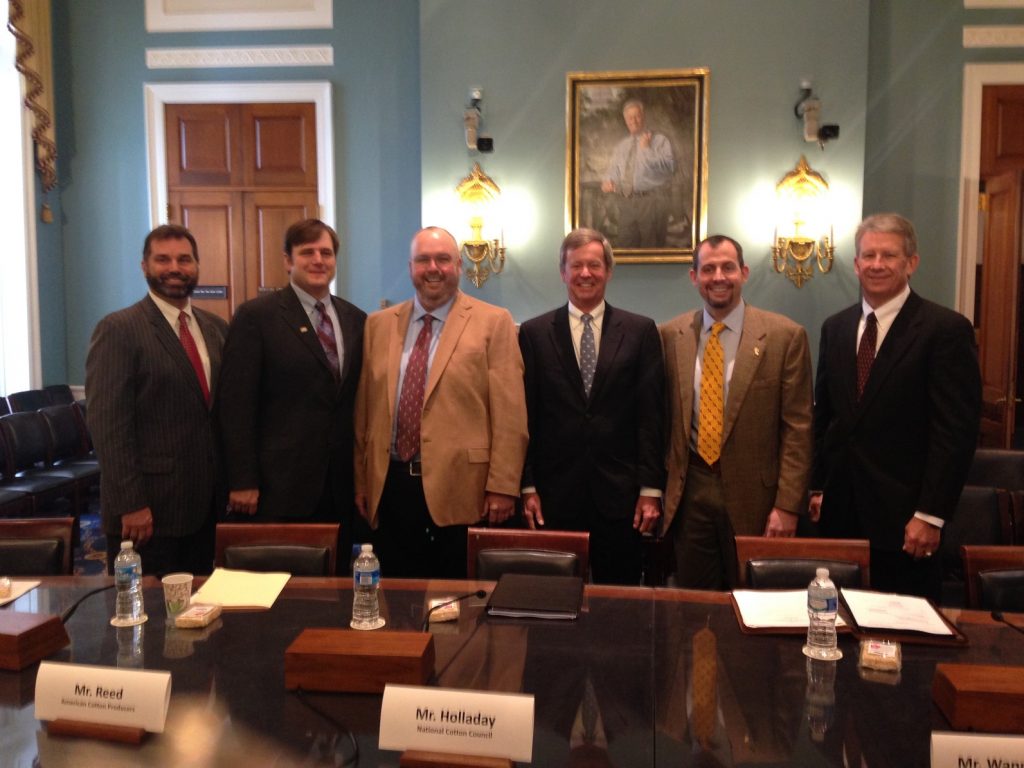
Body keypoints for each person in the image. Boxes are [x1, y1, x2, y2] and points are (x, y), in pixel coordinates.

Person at [810, 213, 981, 601]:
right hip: (840, 516)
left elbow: (954, 433)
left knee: (900, 629)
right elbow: (826, 419)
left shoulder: (944, 329)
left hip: (907, 524)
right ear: (856, 264)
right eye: (868, 255)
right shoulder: (835, 328)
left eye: (888, 255)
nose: (877, 264)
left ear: (911, 262)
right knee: (837, 621)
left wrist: (930, 515)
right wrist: (818, 487)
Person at [354, 226, 528, 579]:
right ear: (410, 267)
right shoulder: (378, 324)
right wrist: (362, 480)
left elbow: (510, 415)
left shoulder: (494, 322)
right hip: (391, 486)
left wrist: (503, 486)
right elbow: (364, 411)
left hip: (463, 488)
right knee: (397, 595)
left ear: (459, 266)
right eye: (423, 260)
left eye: (443, 259)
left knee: (455, 598)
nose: (433, 268)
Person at [660, 234, 813, 589]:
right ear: (694, 277)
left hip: (758, 499)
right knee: (696, 603)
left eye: (728, 267)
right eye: (708, 269)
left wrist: (788, 506)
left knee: (756, 600)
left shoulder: (785, 336)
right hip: (691, 493)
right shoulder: (668, 336)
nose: (719, 277)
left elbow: (799, 429)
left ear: (743, 272)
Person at [518, 228, 665, 584]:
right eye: (576, 265)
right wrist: (527, 485)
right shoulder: (534, 333)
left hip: (621, 496)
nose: (586, 273)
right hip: (554, 495)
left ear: (608, 271)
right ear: (563, 272)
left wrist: (650, 490)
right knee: (554, 595)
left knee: (619, 599)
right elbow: (526, 417)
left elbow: (651, 416)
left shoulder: (641, 331)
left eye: (595, 265)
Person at [217, 219, 366, 564]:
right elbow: (236, 405)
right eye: (307, 252)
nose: (318, 260)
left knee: (335, 579)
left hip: (339, 486)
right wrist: (242, 480)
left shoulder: (356, 319)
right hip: (277, 487)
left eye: (326, 253)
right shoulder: (257, 317)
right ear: (288, 260)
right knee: (279, 583)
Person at [85, 224, 228, 575]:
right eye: (163, 259)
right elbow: (109, 426)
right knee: (146, 607)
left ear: (197, 265)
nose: (175, 268)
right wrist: (131, 503)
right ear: (144, 266)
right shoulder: (119, 329)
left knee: (201, 601)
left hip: (205, 507)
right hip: (147, 513)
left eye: (184, 259)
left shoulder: (216, 328)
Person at [601, 99, 675, 248]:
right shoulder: (622, 146)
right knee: (625, 249)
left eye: (637, 116)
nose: (633, 121)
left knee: (651, 249)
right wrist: (608, 181)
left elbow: (669, 168)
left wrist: (646, 150)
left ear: (644, 117)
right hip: (626, 203)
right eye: (629, 118)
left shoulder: (660, 141)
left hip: (652, 202)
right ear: (625, 120)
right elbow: (613, 170)